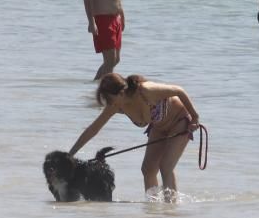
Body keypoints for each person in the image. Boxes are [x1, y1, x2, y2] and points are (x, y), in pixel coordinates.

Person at [69, 72, 200, 202]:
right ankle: (153, 209)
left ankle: (171, 208)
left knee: (165, 166)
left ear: (121, 93)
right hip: (159, 128)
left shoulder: (146, 91)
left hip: (179, 122)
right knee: (148, 169)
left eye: (110, 99)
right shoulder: (115, 105)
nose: (109, 104)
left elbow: (179, 91)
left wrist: (195, 117)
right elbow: (93, 129)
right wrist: (70, 154)